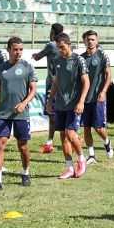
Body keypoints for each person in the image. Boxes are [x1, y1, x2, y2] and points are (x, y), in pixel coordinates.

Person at [0, 37, 38, 193]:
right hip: (4, 113)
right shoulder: (1, 68)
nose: (18, 52)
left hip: (22, 114)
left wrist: (23, 104)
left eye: (21, 49)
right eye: (16, 49)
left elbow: (34, 90)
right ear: (8, 49)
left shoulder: (27, 67)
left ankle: (25, 173)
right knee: (0, 145)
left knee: (22, 146)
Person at [46, 33, 90, 179]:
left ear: (69, 44)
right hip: (60, 105)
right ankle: (69, 168)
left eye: (62, 47)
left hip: (74, 105)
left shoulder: (79, 60)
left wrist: (81, 101)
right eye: (58, 48)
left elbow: (86, 82)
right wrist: (50, 100)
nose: (60, 50)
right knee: (63, 137)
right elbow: (56, 81)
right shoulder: (57, 60)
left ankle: (81, 159)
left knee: (71, 134)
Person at [80, 30, 113, 165]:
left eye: (93, 39)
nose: (90, 42)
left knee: (98, 128)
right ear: (84, 41)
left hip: (98, 97)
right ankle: (91, 155)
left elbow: (109, 74)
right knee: (86, 128)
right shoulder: (80, 58)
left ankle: (107, 142)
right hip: (85, 99)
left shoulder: (102, 55)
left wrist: (104, 91)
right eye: (88, 39)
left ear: (97, 41)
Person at [32, 23, 63, 154]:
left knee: (51, 112)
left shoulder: (51, 44)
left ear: (52, 32)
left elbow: (38, 57)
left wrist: (34, 55)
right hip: (64, 83)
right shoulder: (64, 44)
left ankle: (61, 138)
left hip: (52, 83)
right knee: (57, 112)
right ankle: (50, 140)